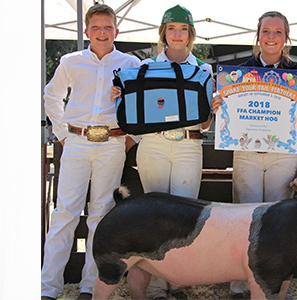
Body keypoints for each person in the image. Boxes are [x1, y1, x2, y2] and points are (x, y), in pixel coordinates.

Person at [111, 5, 219, 300]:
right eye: (171, 29)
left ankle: (179, 282)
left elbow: (205, 123)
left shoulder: (203, 70)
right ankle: (158, 285)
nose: (177, 34)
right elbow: (133, 113)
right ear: (163, 34)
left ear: (191, 34)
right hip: (154, 146)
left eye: (183, 29)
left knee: (184, 217)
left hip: (188, 144)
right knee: (156, 217)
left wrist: (213, 109)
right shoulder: (143, 69)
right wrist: (120, 96)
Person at [210, 11, 297, 299]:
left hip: (284, 157)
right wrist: (219, 105)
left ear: (286, 38)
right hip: (246, 154)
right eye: (266, 31)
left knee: (279, 223)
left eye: (278, 32)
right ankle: (239, 285)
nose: (271, 37)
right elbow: (224, 116)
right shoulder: (236, 73)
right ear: (258, 35)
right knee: (243, 220)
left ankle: (275, 287)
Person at [41, 4, 141, 300]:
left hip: (112, 143)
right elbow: (51, 96)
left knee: (101, 215)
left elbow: (140, 105)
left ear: (116, 31)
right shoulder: (71, 61)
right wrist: (63, 136)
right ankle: (48, 288)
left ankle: (89, 287)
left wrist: (128, 139)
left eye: (107, 27)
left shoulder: (131, 63)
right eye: (95, 27)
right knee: (64, 214)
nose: (102, 32)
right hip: (77, 141)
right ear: (86, 31)